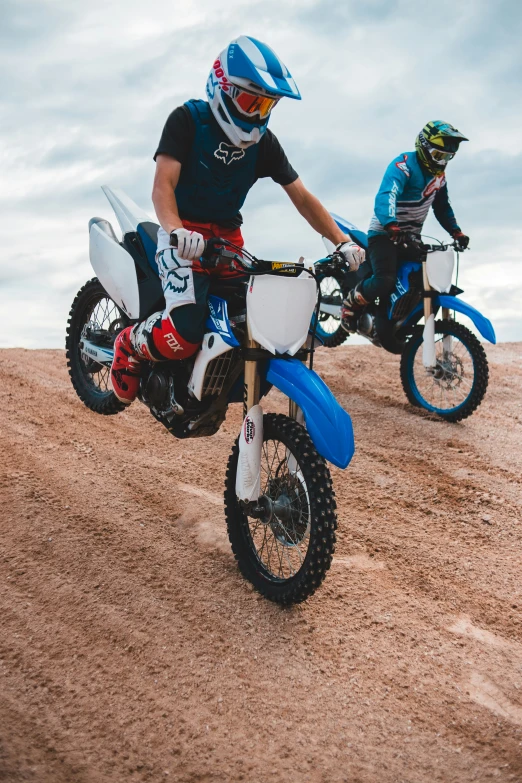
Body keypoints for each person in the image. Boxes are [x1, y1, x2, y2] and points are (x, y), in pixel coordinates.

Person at [110, 35, 365, 404]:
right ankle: (129, 343)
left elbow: (303, 198)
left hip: (229, 241)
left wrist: (341, 240)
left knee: (258, 322)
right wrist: (177, 230)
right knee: (184, 332)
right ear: (223, 89)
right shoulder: (187, 121)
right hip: (181, 237)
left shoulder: (264, 144)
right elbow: (162, 186)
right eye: (251, 100)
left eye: (266, 105)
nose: (258, 113)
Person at [341, 121, 469, 331]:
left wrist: (456, 232)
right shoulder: (404, 165)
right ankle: (350, 304)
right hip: (384, 233)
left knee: (423, 276)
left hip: (409, 237)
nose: (443, 162)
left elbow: (443, 207)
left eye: (448, 157)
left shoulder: (439, 177)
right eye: (439, 155)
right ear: (424, 147)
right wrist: (391, 225)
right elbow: (387, 194)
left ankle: (400, 320)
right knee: (384, 280)